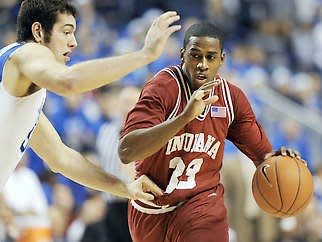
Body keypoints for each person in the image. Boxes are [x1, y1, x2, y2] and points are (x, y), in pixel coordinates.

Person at [118, 23, 302, 242]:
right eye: (195, 56)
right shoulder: (162, 88)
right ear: (182, 55)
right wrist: (184, 118)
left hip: (202, 203)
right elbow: (127, 151)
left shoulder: (232, 99)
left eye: (211, 57)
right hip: (151, 209)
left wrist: (282, 163)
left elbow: (263, 156)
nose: (202, 65)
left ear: (222, 59)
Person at [0, 0, 181, 201]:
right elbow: (68, 82)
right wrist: (144, 55)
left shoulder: (20, 87)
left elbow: (61, 158)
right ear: (38, 32)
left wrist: (126, 188)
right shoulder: (29, 52)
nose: (73, 42)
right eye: (66, 32)